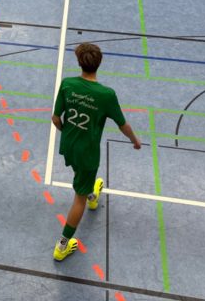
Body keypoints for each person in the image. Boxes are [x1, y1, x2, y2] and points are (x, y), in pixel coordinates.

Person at [51, 42, 141, 262]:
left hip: (68, 145)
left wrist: (68, 133)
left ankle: (92, 194)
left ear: (79, 62)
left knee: (82, 177)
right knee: (78, 199)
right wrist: (135, 140)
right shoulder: (106, 95)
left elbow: (55, 118)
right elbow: (123, 125)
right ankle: (62, 245)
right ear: (99, 64)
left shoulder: (67, 84)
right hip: (87, 153)